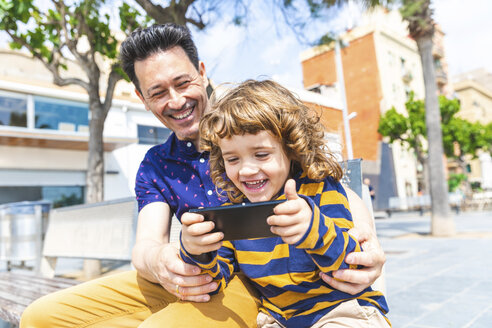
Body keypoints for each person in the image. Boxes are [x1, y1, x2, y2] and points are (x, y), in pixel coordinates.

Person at [20, 24, 385, 327]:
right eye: (158, 92)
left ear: (203, 72)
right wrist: (165, 260)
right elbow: (147, 244)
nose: (176, 101)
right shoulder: (156, 164)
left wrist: (366, 238)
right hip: (200, 270)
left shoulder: (247, 123)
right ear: (142, 98)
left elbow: (321, 180)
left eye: (183, 83)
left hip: (254, 283)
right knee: (39, 318)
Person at [180, 79, 390, 327]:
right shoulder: (232, 213)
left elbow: (351, 263)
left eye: (261, 154)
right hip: (280, 318)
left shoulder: (320, 190)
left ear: (291, 148)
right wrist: (196, 250)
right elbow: (216, 279)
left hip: (341, 310)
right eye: (232, 158)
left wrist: (313, 229)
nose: (246, 169)